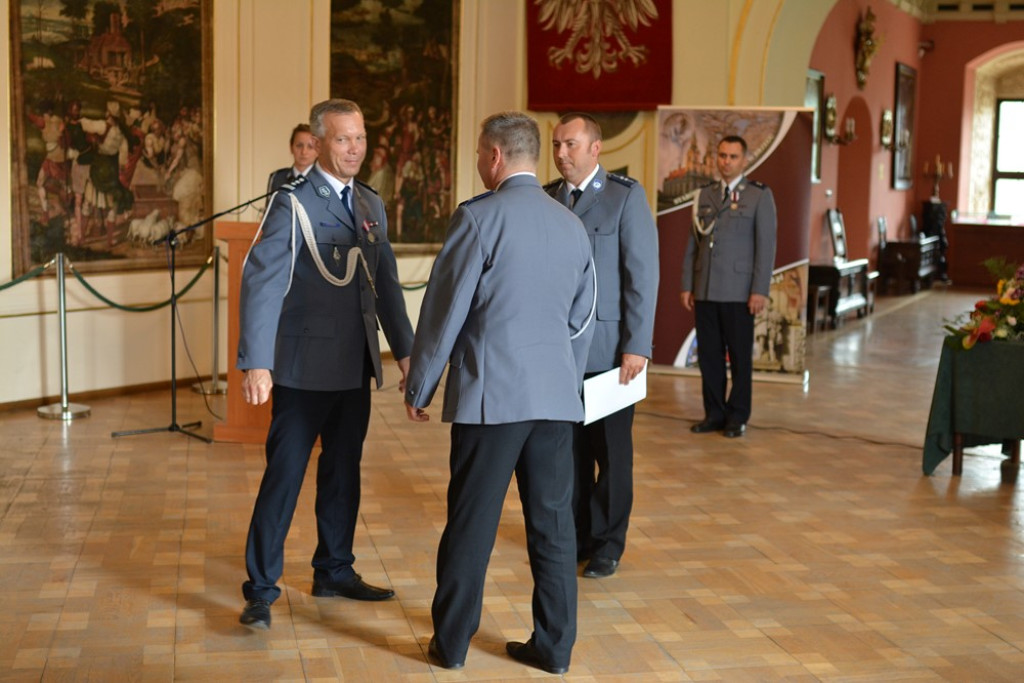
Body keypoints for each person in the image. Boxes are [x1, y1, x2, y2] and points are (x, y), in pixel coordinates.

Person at [404, 111, 596, 674]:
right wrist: (561, 379)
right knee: (554, 528)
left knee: (472, 523)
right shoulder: (571, 224)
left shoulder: (478, 219)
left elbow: (444, 311)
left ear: (493, 157)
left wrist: (422, 384)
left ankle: (454, 645)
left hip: (493, 401)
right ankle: (554, 650)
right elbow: (583, 320)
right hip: (556, 401)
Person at [236, 98, 414, 630]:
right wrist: (256, 362)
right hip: (299, 369)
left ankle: (334, 568)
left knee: (344, 473)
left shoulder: (371, 204)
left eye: (360, 138)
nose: (355, 148)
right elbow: (262, 284)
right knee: (284, 477)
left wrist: (407, 355)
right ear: (317, 144)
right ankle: (261, 589)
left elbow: (386, 287)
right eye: (343, 139)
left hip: (353, 365)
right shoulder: (292, 202)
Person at [545, 112, 659, 579]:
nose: (561, 153)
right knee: (567, 454)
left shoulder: (624, 198)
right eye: (556, 145)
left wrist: (638, 344)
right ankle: (577, 535)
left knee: (611, 456)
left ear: (595, 149)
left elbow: (642, 276)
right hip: (558, 355)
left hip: (611, 353)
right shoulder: (548, 198)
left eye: (570, 144)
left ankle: (609, 543)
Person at [680, 135, 777, 438]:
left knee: (738, 358)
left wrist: (759, 289)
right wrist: (687, 284)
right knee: (708, 356)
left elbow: (766, 246)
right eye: (722, 155)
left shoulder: (759, 196)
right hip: (706, 288)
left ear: (744, 160)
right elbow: (692, 245)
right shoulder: (705, 195)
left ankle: (737, 416)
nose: (726, 161)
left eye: (733, 157)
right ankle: (714, 413)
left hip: (739, 292)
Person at [265, 123, 318, 196]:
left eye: (310, 147)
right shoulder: (277, 178)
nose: (304, 152)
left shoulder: (325, 179)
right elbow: (271, 206)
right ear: (291, 147)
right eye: (299, 146)